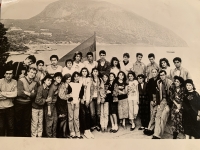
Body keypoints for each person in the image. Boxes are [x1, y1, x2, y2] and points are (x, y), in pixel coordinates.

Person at [15, 67, 38, 137]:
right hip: (19, 104)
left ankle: (25, 139)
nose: (32, 74)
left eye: (34, 73)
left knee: (26, 121)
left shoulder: (35, 83)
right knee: (18, 121)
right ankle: (18, 138)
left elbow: (34, 95)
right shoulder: (21, 80)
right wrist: (30, 94)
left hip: (28, 104)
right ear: (27, 72)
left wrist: (27, 93)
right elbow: (20, 93)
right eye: (31, 72)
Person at [152, 70, 173, 139]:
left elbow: (172, 96)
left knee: (163, 116)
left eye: (163, 75)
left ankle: (159, 135)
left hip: (168, 102)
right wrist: (158, 104)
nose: (162, 76)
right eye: (161, 75)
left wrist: (168, 105)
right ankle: (156, 134)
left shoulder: (170, 83)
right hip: (162, 101)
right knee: (157, 116)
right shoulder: (159, 82)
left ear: (166, 75)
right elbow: (157, 94)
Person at [0, 66, 17, 136]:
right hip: (0, 108)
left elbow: (15, 94)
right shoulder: (0, 81)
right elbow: (12, 94)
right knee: (1, 127)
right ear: (4, 74)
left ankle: (11, 145)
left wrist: (3, 94)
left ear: (12, 75)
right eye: (7, 73)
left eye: (10, 74)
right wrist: (9, 94)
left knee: (11, 127)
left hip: (10, 108)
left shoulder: (14, 82)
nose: (8, 75)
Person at [45, 72, 62, 138]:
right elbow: (49, 99)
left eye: (60, 78)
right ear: (54, 78)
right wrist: (49, 110)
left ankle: (54, 136)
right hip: (50, 105)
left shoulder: (58, 85)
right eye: (58, 78)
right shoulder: (52, 87)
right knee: (49, 121)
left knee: (55, 120)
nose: (59, 79)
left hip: (54, 105)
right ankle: (49, 136)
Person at [79, 68, 94, 139]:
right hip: (81, 99)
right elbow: (79, 90)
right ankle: (84, 130)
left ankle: (88, 130)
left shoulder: (89, 79)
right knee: (83, 114)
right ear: (81, 72)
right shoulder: (79, 79)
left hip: (87, 99)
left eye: (85, 71)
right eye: (83, 71)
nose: (84, 72)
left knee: (88, 113)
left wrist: (89, 99)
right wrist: (81, 98)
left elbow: (91, 89)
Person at [68, 71, 84, 139]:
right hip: (70, 102)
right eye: (75, 76)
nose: (76, 77)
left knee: (76, 118)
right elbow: (68, 93)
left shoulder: (81, 84)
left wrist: (79, 100)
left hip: (77, 101)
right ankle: (72, 132)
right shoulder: (70, 84)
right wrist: (71, 101)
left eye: (77, 76)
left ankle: (78, 132)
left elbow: (81, 94)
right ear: (73, 77)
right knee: (71, 118)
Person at [144, 69, 159, 136]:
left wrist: (156, 100)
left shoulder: (159, 80)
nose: (154, 73)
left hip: (158, 98)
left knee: (155, 114)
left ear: (157, 73)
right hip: (151, 98)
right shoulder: (150, 80)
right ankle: (150, 128)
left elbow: (160, 92)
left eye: (155, 72)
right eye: (152, 72)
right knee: (151, 113)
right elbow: (148, 91)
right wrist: (151, 100)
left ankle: (153, 128)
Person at [57, 74, 72, 138]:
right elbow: (61, 95)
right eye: (67, 79)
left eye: (70, 79)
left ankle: (64, 133)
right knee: (62, 118)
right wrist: (68, 96)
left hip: (65, 103)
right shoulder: (62, 85)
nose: (69, 80)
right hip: (60, 103)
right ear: (65, 79)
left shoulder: (68, 85)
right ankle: (59, 133)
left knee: (65, 118)